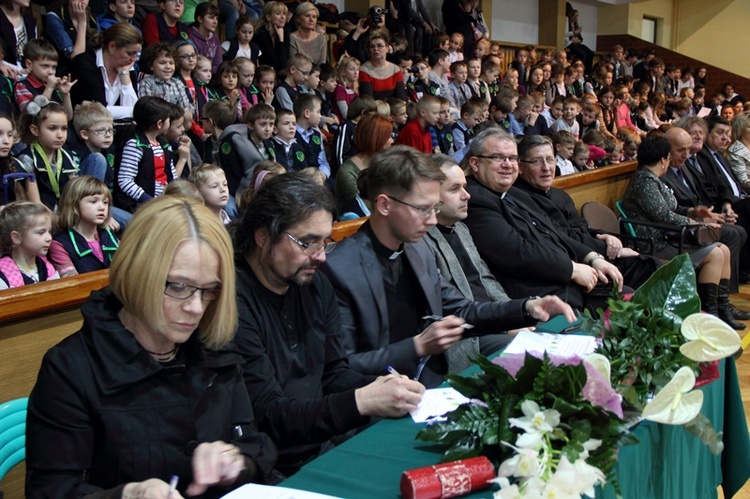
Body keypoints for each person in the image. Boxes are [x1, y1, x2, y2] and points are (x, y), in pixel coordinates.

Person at [26, 196, 277, 497]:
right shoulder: (70, 369)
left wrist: (234, 462)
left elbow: (251, 442)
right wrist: (128, 494)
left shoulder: (214, 348)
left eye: (209, 290)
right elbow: (51, 490)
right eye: (179, 286)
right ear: (138, 272)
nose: (196, 308)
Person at [322, 145, 575, 387]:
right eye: (423, 209)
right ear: (384, 204)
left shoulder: (418, 248)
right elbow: (341, 366)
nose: (432, 220)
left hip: (432, 385)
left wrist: (527, 307)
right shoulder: (338, 269)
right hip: (378, 399)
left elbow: (462, 310)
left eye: (435, 208)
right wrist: (418, 346)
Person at [232, 172, 425, 476]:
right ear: (262, 236)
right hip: (271, 468)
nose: (320, 257)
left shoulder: (315, 285)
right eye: (307, 243)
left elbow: (333, 372)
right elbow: (268, 414)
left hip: (323, 446)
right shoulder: (233, 301)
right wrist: (361, 400)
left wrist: (379, 386)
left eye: (325, 242)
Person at [461, 128, 624, 311]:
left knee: (632, 289)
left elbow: (554, 231)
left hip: (566, 279)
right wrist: (572, 269)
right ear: (475, 164)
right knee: (627, 303)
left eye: (512, 158)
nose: (508, 164)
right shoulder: (475, 200)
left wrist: (592, 257)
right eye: (498, 157)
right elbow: (517, 252)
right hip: (540, 295)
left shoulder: (513, 193)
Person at [621, 135, 745, 330]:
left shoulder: (654, 180)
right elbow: (664, 217)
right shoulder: (644, 181)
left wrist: (694, 213)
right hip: (657, 242)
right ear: (663, 159)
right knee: (715, 254)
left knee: (724, 250)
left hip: (669, 235)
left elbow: (673, 210)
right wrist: (697, 223)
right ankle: (709, 315)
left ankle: (722, 309)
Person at [514, 134, 657, 290]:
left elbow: (580, 227)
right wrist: (611, 250)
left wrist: (602, 235)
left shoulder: (558, 194)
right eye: (537, 161)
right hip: (577, 267)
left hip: (596, 254)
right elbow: (562, 236)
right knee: (649, 271)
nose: (546, 168)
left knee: (653, 266)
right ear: (521, 167)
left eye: (550, 159)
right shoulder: (521, 200)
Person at [114, 96, 183, 212]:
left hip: (163, 201)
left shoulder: (164, 144)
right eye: (168, 120)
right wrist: (148, 200)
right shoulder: (135, 145)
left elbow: (172, 174)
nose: (169, 122)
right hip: (141, 205)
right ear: (159, 124)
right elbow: (124, 180)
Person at [16, 96, 79, 210]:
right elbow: (35, 202)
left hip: (65, 212)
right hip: (40, 215)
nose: (60, 135)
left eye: (64, 128)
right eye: (52, 128)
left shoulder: (66, 154)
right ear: (35, 130)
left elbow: (76, 192)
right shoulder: (27, 158)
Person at [48, 175, 118, 277]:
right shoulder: (59, 244)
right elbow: (72, 282)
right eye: (94, 201)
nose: (102, 207)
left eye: (105, 202)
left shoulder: (109, 235)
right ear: (74, 205)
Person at [69, 22, 141, 120]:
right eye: (130, 53)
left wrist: (124, 74)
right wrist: (137, 111)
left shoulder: (127, 68)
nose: (134, 59)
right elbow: (97, 110)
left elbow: (133, 117)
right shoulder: (84, 64)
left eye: (136, 54)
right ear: (112, 46)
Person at [334, 112, 392, 213]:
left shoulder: (386, 163)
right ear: (376, 139)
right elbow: (365, 208)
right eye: (388, 137)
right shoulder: (347, 172)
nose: (392, 141)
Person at [0, 201, 58, 289]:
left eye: (49, 231)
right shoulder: (3, 273)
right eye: (41, 232)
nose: (49, 238)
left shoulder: (47, 267)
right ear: (16, 237)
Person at [358, 30, 406, 100]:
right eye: (372, 46)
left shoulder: (395, 69)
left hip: (394, 109)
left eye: (379, 46)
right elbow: (368, 101)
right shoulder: (364, 70)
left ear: (387, 48)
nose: (376, 49)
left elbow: (401, 99)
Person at [254, 1, 289, 71]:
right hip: (263, 73)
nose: (283, 17)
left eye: (284, 14)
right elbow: (273, 62)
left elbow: (284, 64)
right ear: (268, 17)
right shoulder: (260, 34)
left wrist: (281, 39)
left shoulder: (284, 32)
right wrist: (281, 41)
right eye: (278, 14)